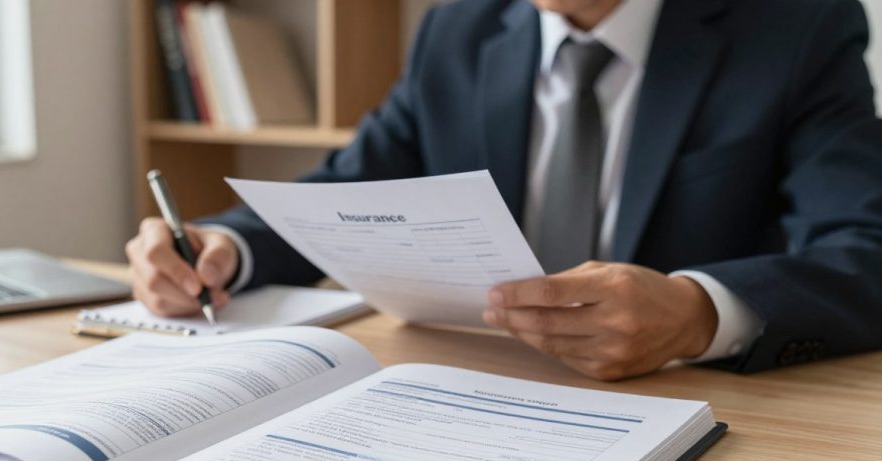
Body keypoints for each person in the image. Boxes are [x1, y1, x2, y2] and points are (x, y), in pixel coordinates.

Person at [126, 0, 882, 380]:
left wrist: (696, 312)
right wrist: (224, 247)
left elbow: (864, 250)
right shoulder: (459, 29)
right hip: (474, 392)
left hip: (695, 412)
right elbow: (351, 186)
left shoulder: (797, 26)